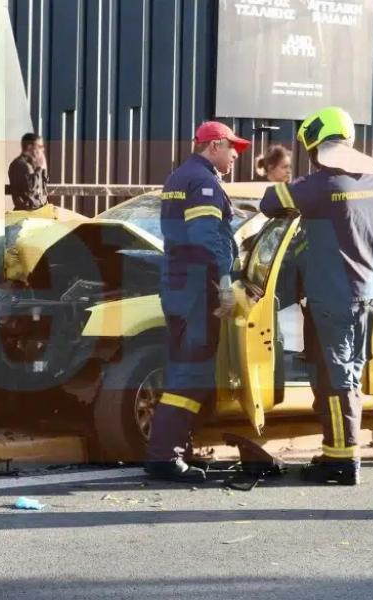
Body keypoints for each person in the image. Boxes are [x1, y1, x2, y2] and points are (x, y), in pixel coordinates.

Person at [260, 106, 373, 486]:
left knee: (336, 377)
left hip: (331, 297)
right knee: (341, 371)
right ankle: (335, 449)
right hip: (365, 293)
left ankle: (343, 459)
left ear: (316, 145)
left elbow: (270, 202)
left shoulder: (319, 186)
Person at [145, 121, 250, 483]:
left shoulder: (178, 178)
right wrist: (223, 281)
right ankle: (165, 457)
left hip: (177, 285)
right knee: (192, 373)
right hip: (196, 289)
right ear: (215, 145)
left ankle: (176, 449)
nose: (236, 155)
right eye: (232, 147)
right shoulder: (204, 182)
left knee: (181, 369)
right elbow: (206, 236)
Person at [8, 133, 49, 211]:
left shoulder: (32, 163)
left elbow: (44, 184)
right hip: (27, 213)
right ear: (30, 147)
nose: (43, 149)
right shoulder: (20, 165)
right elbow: (30, 191)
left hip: (37, 211)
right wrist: (39, 168)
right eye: (40, 147)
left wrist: (43, 167)